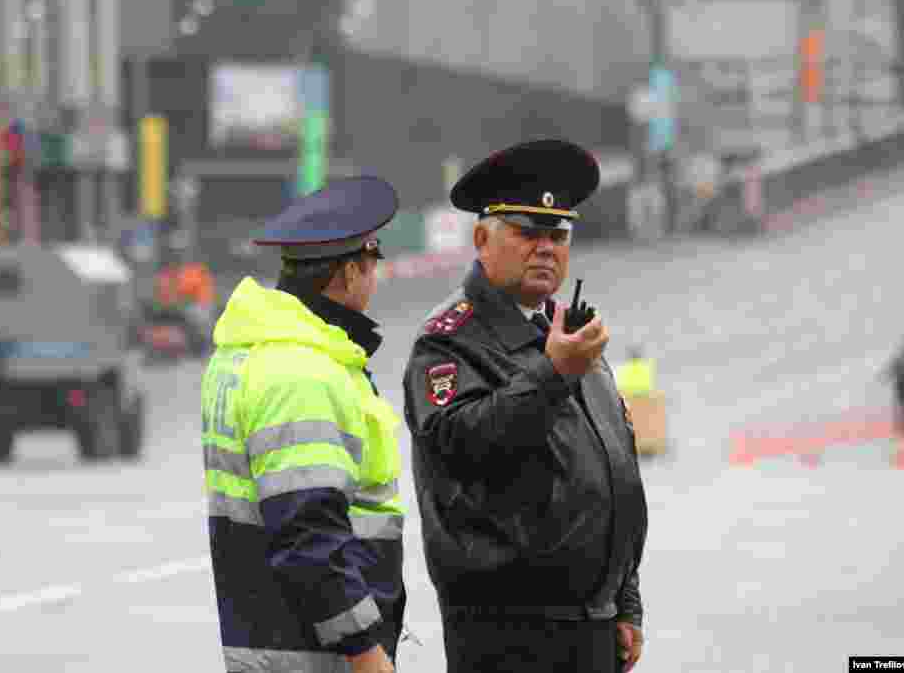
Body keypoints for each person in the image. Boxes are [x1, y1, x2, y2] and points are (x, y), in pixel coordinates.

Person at [402, 139, 648, 672]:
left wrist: (623, 601)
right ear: (482, 239)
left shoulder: (568, 334)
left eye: (557, 234)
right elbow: (464, 446)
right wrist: (555, 372)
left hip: (593, 626)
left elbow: (612, 476)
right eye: (527, 232)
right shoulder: (447, 344)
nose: (545, 247)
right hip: (508, 637)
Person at [202, 177, 406, 673]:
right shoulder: (300, 371)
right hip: (315, 655)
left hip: (273, 644)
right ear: (349, 272)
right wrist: (365, 650)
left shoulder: (252, 351)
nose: (375, 279)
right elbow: (308, 532)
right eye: (372, 265)